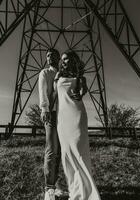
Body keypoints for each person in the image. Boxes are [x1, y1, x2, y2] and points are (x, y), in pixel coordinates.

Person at [54, 50, 101, 200]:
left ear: (74, 60)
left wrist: (81, 89)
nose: (64, 61)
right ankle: (75, 191)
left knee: (79, 153)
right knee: (67, 154)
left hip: (76, 115)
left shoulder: (80, 77)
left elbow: (82, 90)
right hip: (62, 117)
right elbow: (54, 94)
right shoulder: (58, 76)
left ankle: (87, 194)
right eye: (63, 59)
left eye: (67, 59)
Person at [39, 48, 67, 200]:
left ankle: (57, 184)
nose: (49, 57)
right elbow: (43, 91)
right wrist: (44, 109)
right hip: (51, 113)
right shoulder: (45, 73)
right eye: (47, 56)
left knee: (62, 150)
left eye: (52, 55)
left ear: (58, 57)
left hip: (64, 114)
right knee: (52, 149)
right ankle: (48, 188)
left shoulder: (63, 73)